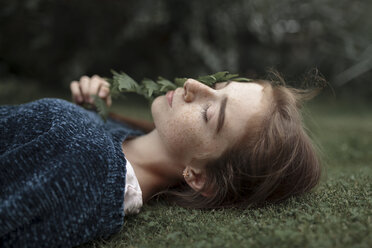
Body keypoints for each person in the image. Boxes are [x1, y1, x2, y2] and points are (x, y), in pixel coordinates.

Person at [0, 73, 322, 247]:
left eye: (209, 113)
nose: (192, 85)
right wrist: (88, 112)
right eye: (215, 86)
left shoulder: (91, 166)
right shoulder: (105, 151)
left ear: (199, 177)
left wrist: (68, 125)